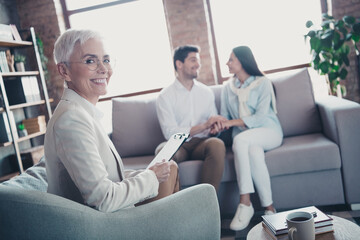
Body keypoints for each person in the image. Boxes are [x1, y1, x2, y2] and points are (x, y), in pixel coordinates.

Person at [45, 29, 179, 213]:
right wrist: (151, 177)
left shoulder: (82, 113)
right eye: (90, 61)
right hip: (98, 226)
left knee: (169, 168)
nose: (103, 69)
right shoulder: (71, 119)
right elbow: (103, 199)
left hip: (106, 216)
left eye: (106, 60)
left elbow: (107, 178)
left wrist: (148, 174)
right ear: (64, 71)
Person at [219, 46, 283, 231]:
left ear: (242, 61)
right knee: (254, 153)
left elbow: (261, 118)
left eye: (231, 59)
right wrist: (220, 122)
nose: (227, 63)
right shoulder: (227, 88)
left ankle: (245, 201)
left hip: (268, 131)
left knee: (241, 141)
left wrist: (231, 123)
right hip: (246, 139)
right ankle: (270, 209)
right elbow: (225, 116)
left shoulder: (263, 83)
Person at [156, 45, 226, 192]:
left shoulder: (206, 92)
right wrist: (204, 125)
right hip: (179, 145)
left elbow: (212, 123)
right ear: (179, 64)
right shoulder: (165, 96)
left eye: (198, 60)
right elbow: (170, 133)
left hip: (202, 142)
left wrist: (214, 128)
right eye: (193, 60)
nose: (198, 64)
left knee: (217, 143)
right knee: (163, 150)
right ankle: (178, 205)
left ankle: (206, 204)